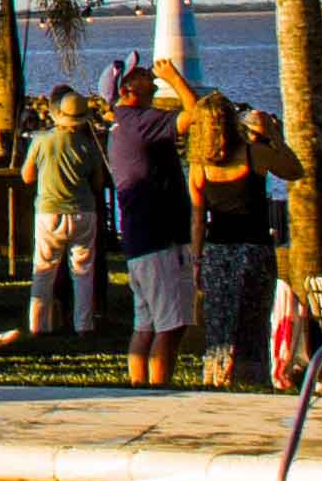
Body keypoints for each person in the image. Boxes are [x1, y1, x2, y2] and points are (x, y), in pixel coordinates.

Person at [183, 92, 297, 389]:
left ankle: (218, 377)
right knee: (252, 321)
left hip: (218, 250)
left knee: (220, 322)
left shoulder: (198, 167)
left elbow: (198, 219)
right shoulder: (253, 154)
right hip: (254, 248)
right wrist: (275, 137)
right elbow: (294, 170)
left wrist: (196, 260)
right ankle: (252, 378)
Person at [106, 65, 192, 386]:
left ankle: (138, 390)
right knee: (169, 326)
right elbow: (192, 115)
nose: (148, 72)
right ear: (128, 89)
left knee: (145, 324)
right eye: (139, 73)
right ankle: (159, 392)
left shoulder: (123, 124)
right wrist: (175, 80)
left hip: (140, 238)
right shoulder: (141, 123)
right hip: (157, 239)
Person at [26, 93, 105, 336]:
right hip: (83, 211)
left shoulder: (41, 141)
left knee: (44, 270)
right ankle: (84, 325)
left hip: (49, 212)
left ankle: (38, 325)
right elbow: (98, 183)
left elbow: (27, 176)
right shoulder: (89, 145)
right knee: (83, 271)